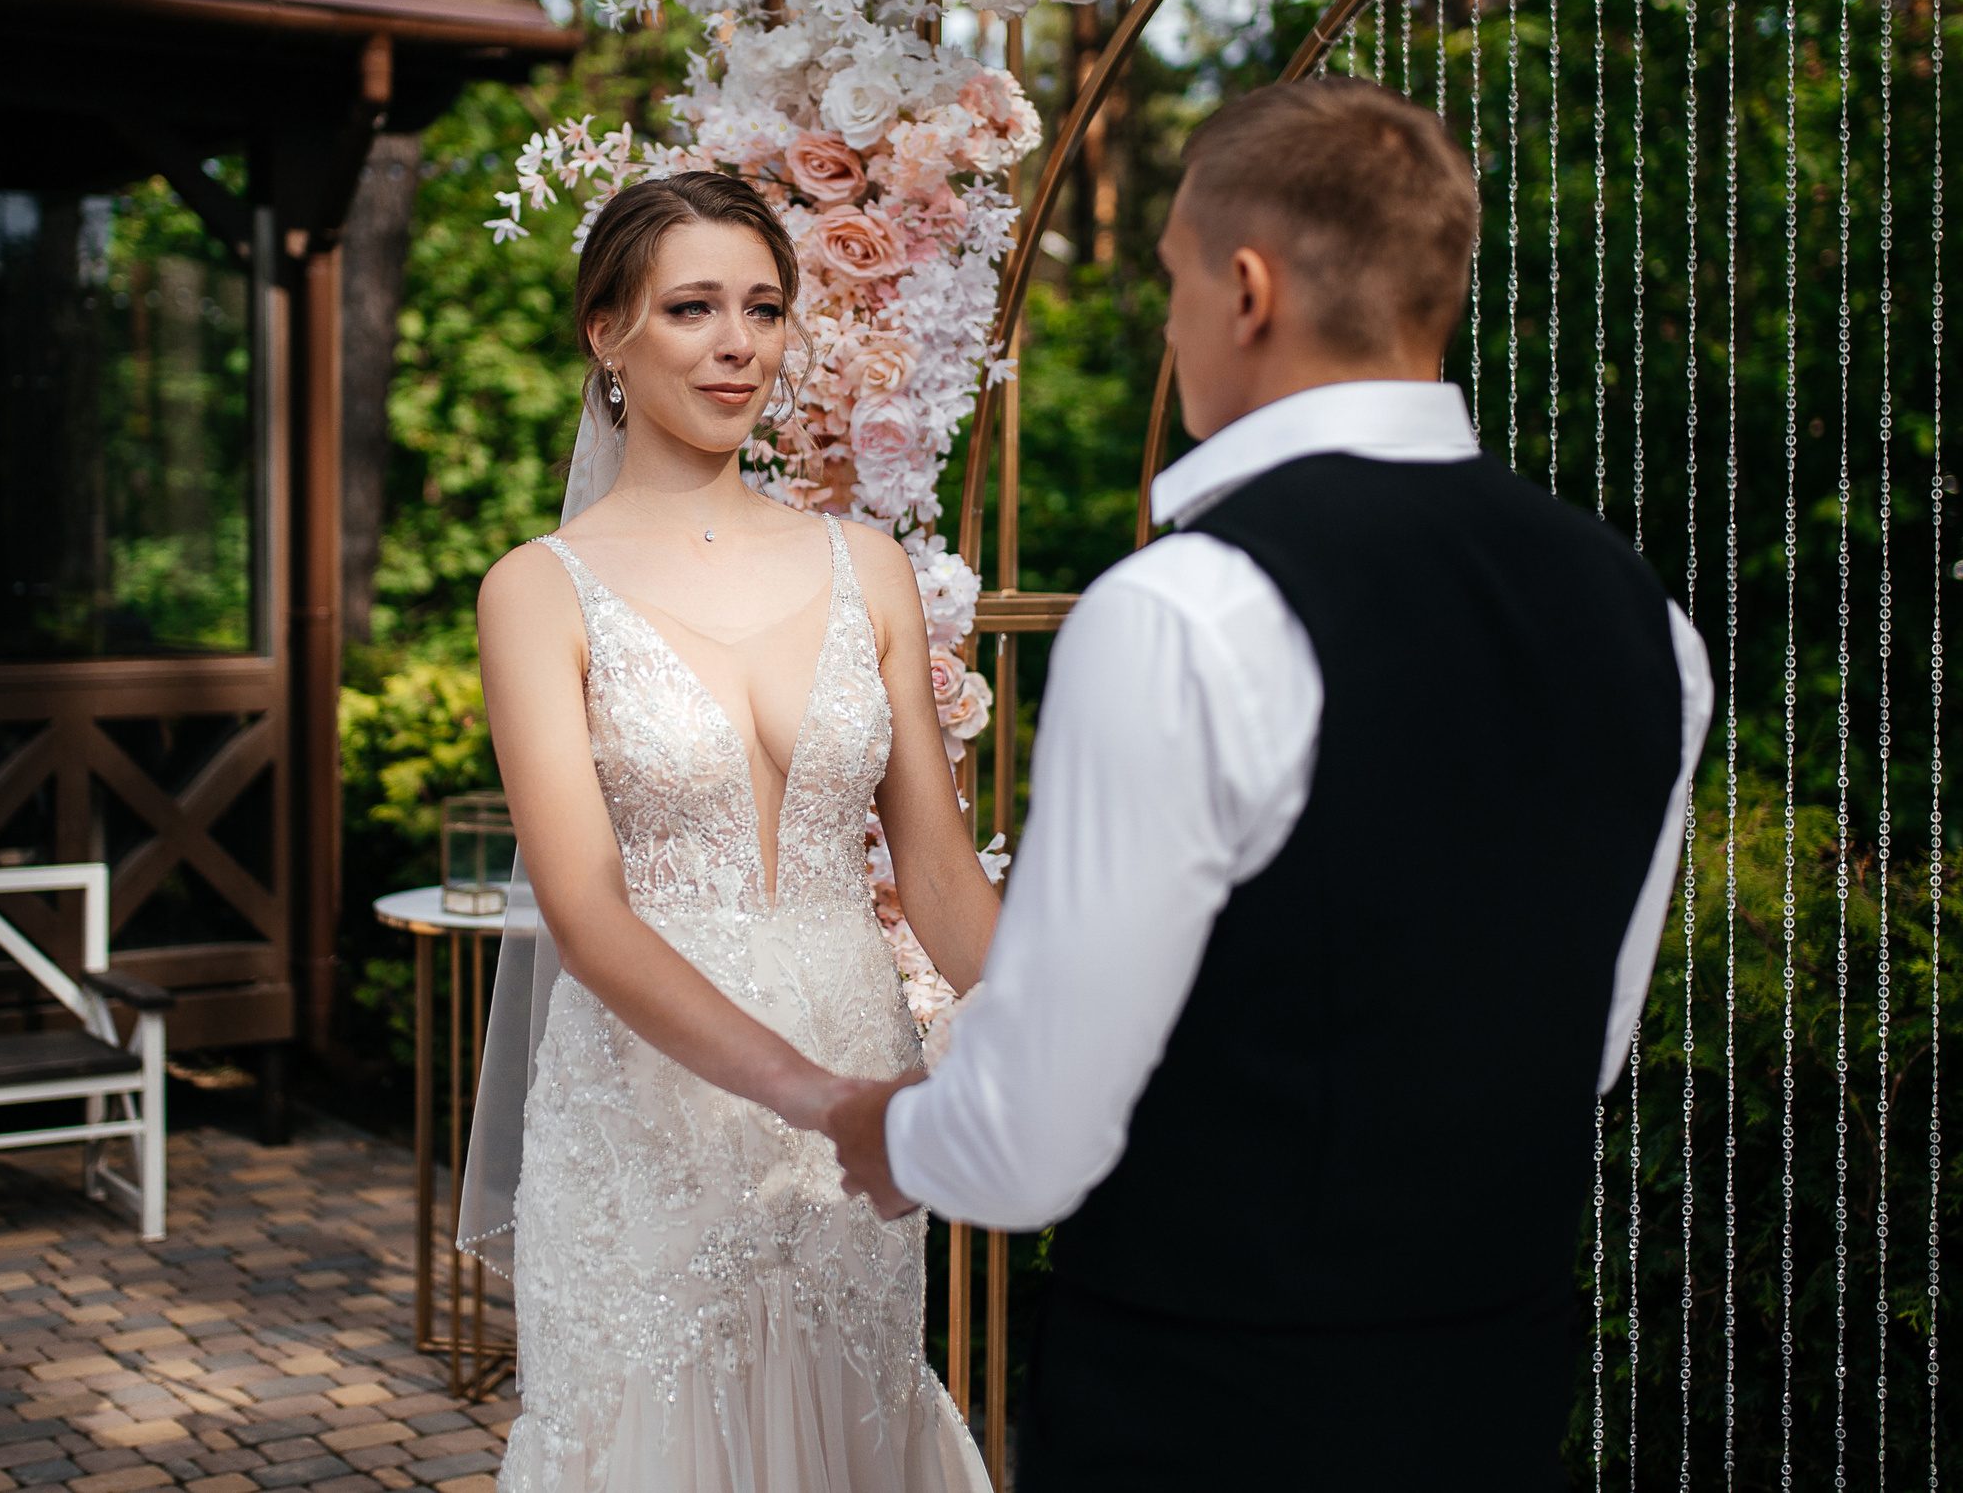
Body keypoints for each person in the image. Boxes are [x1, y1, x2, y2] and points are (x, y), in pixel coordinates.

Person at [818, 78, 1715, 1488]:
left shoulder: (1189, 609)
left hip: (1210, 1405)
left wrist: (886, 1130)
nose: (1172, 326)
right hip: (1497, 1387)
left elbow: (1032, 1145)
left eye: (1172, 282)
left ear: (1245, 290)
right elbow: (1579, 1048)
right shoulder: (1646, 619)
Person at [474, 171, 998, 1492]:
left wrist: (1085, 1027)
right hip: (651, 1107)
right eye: (693, 307)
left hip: (856, 1088)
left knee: (848, 1429)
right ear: (607, 330)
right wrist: (818, 1099)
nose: (737, 343)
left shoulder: (866, 568)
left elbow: (935, 868)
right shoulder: (539, 592)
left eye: (764, 309)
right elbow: (586, 918)